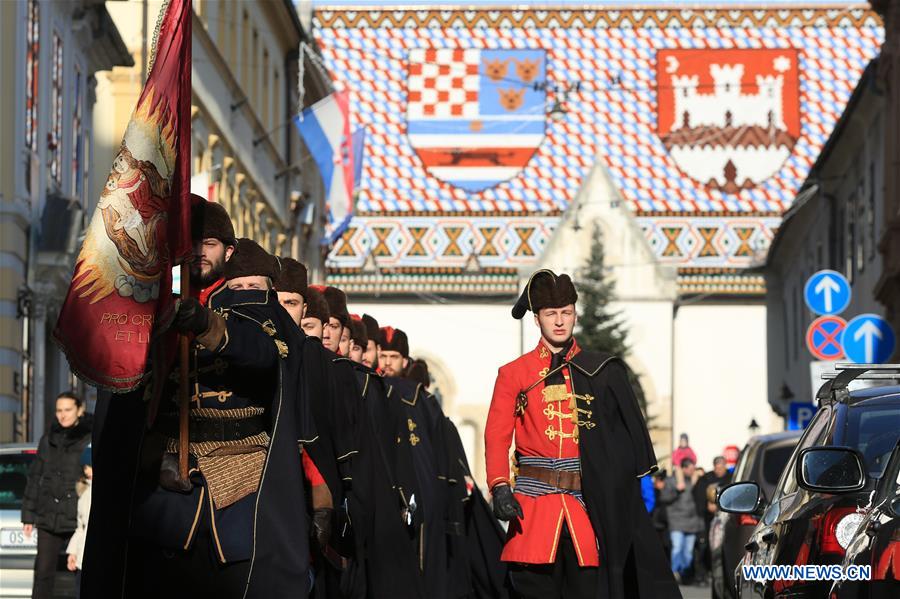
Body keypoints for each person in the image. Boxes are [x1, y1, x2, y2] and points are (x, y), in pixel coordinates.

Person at [126, 235, 314, 598]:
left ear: (228, 252)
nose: (198, 252)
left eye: (208, 243)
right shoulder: (154, 303)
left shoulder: (254, 302)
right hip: (170, 482)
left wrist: (207, 324)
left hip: (241, 476)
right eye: (191, 242)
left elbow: (263, 353)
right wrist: (150, 458)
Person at [484, 269, 680, 599]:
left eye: (566, 313)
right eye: (551, 314)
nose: (559, 321)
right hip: (532, 512)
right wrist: (499, 485)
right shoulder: (513, 374)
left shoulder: (600, 372)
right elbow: (496, 435)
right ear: (537, 319)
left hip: (586, 513)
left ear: (575, 314)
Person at [21, 391, 92, 599]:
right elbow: (35, 477)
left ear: (80, 410)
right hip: (48, 516)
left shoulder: (90, 437)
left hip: (78, 517)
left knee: (81, 570)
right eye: (59, 410)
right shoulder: (48, 439)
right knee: (43, 573)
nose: (62, 415)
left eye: (68, 410)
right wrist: (28, 514)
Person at [660, 458, 704, 584]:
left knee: (688, 552)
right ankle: (674, 572)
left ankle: (684, 573)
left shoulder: (694, 481)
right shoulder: (671, 481)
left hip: (692, 521)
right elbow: (664, 497)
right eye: (690, 469)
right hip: (676, 521)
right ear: (684, 468)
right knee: (677, 547)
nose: (692, 471)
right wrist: (676, 490)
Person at [692, 456, 732, 586]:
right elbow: (697, 496)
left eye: (722, 467)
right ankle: (702, 573)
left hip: (726, 518)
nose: (719, 470)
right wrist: (707, 506)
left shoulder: (731, 478)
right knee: (704, 546)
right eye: (717, 467)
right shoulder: (706, 479)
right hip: (706, 519)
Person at [66, 444, 93, 599]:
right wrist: (73, 551)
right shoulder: (84, 493)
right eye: (85, 467)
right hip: (82, 561)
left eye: (90, 466)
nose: (86, 471)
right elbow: (80, 527)